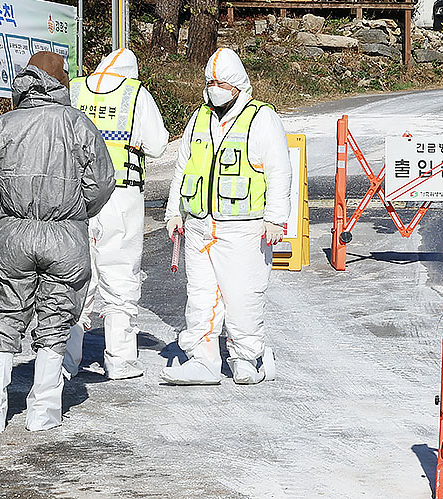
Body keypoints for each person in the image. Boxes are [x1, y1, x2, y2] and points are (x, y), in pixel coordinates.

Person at [0, 52, 114, 433]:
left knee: (7, 315)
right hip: (65, 234)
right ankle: (43, 413)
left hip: (14, 233)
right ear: (60, 84)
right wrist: (75, 209)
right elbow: (102, 183)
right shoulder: (79, 125)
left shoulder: (1, 127)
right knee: (57, 318)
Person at [161, 48, 292, 386]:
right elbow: (183, 167)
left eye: (220, 82)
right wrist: (174, 211)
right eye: (209, 82)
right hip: (200, 226)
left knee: (243, 296)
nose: (213, 88)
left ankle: (249, 359)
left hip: (245, 229)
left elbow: (280, 171)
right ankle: (203, 360)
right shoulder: (198, 118)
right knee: (200, 295)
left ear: (236, 85)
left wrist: (276, 219)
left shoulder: (261, 118)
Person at [63, 48, 168, 380]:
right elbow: (157, 145)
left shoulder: (74, 89)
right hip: (120, 196)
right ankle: (120, 359)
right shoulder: (135, 95)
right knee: (120, 273)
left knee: (75, 275)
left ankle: (66, 359)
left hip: (74, 195)